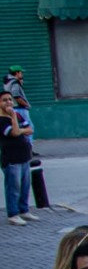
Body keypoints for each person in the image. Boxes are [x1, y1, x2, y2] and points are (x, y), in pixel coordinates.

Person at [1, 90, 35, 225]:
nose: (9, 101)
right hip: (11, 159)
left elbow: (30, 130)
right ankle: (13, 214)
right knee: (13, 188)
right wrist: (14, 118)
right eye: (4, 100)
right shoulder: (2, 120)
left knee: (25, 186)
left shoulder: (18, 116)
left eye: (10, 99)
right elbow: (14, 133)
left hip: (24, 156)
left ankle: (24, 210)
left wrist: (19, 126)